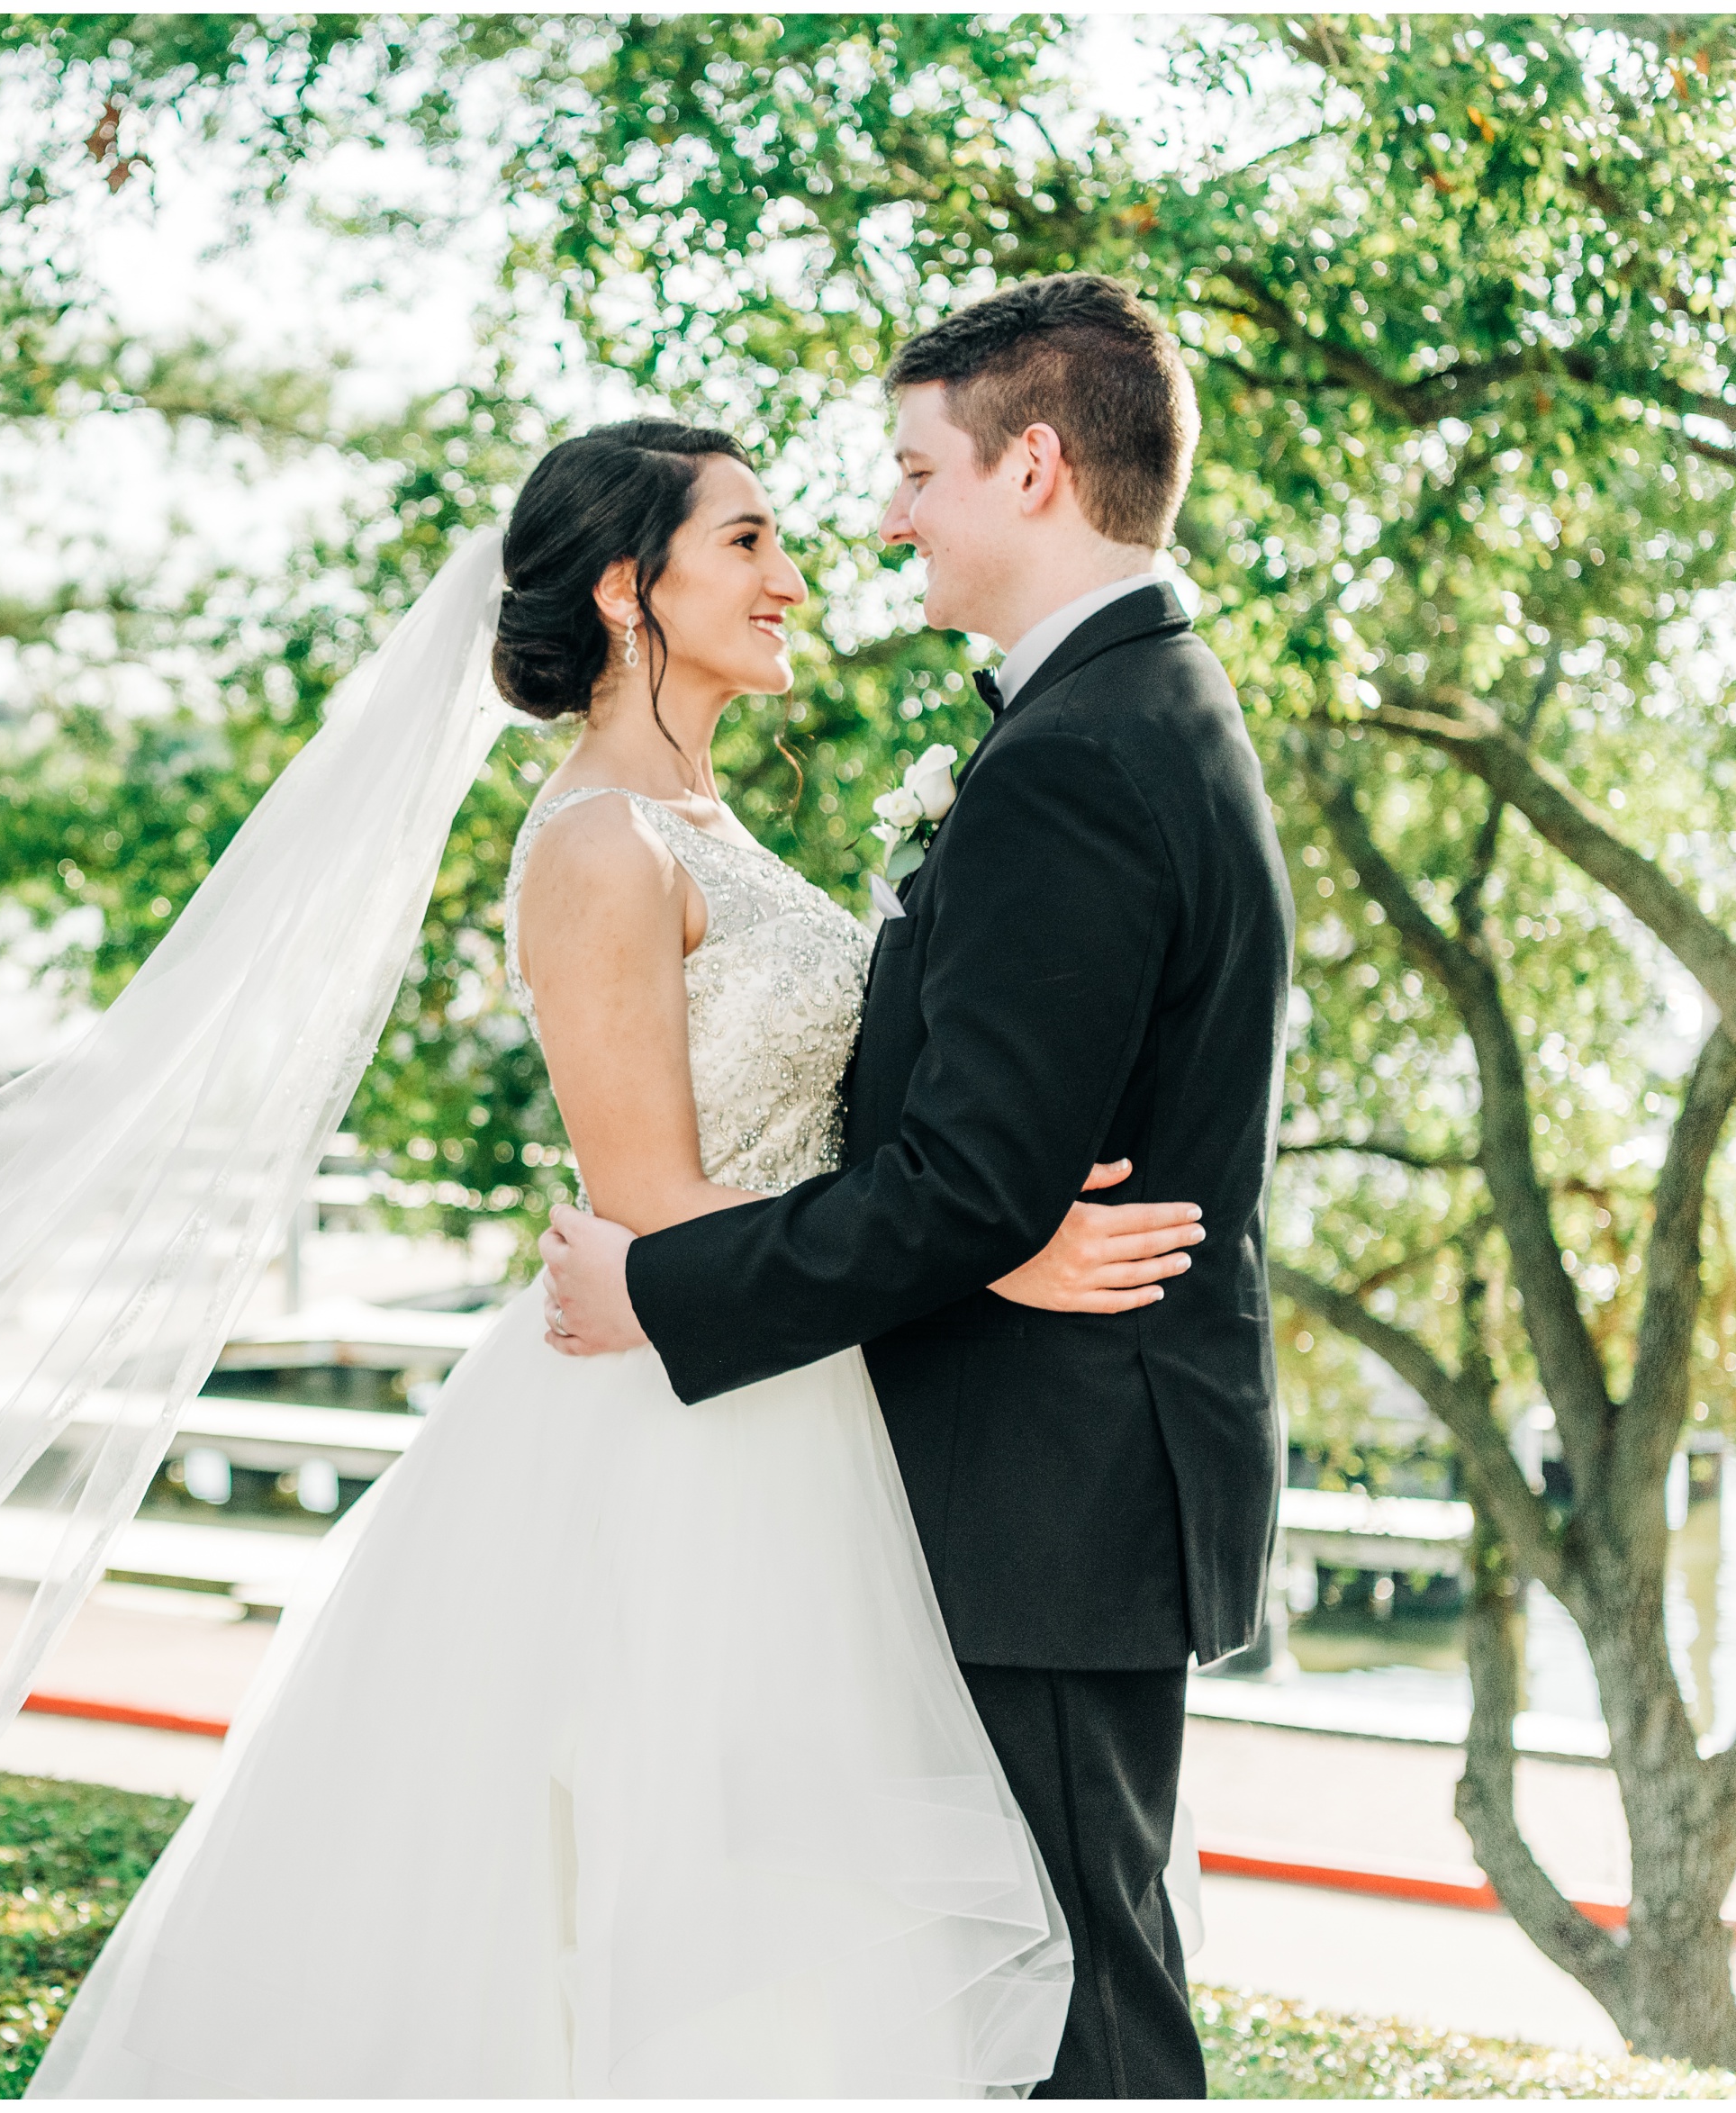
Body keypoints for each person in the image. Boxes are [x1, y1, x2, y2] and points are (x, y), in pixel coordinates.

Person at [30, 411, 1212, 2099]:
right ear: (622, 591)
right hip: (677, 1432)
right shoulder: (593, 847)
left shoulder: (707, 827)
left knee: (785, 1934)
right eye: (746, 541)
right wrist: (990, 1254)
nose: (796, 575)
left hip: (790, 1395)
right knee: (671, 1922)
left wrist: (968, 1212)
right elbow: (656, 1209)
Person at [540, 275, 1294, 2099]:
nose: (881, 521)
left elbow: (973, 1176)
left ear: (1031, 466)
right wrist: (985, 1243)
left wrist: (661, 1288)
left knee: (1075, 2011)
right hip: (1028, 1467)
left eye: (912, 473)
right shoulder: (1136, 711)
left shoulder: (1074, 759)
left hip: (1037, 1489)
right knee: (1012, 1985)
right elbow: (972, 1163)